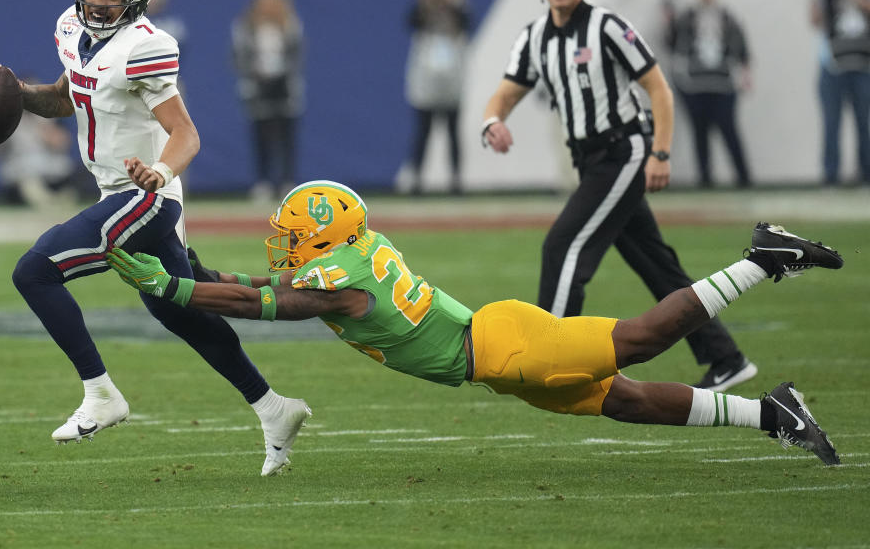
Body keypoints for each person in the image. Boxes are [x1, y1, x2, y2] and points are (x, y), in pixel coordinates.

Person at [106, 180, 845, 468]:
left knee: (642, 340)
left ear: (325, 236)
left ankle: (762, 258)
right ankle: (771, 414)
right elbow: (266, 284)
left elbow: (267, 304)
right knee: (626, 399)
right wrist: (200, 275)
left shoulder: (339, 284)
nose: (289, 245)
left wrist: (176, 287)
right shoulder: (355, 250)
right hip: (493, 354)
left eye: (296, 232)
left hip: (503, 349)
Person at [0, 0, 309, 477]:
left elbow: (186, 133)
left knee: (34, 272)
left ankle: (100, 393)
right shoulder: (70, 27)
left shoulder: (146, 46)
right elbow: (64, 97)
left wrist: (162, 171)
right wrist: (11, 94)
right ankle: (274, 408)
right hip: (115, 192)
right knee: (179, 309)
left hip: (146, 197)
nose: (100, 0)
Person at [480, 0, 756, 392]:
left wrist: (660, 153)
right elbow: (508, 90)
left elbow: (658, 88)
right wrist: (493, 121)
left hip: (622, 150)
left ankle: (551, 357)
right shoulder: (534, 37)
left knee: (563, 245)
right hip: (589, 159)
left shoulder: (607, 26)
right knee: (656, 265)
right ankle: (726, 358)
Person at [669, 0, 752, 188]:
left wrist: (745, 74)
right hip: (696, 86)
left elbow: (741, 47)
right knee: (700, 134)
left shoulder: (726, 16)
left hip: (722, 85)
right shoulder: (688, 17)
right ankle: (705, 179)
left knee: (729, 132)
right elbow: (674, 44)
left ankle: (744, 177)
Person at [400, 0, 470, 194]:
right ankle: (416, 178)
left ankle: (456, 179)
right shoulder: (423, 7)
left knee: (453, 131)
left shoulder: (458, 6)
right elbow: (410, 22)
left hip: (451, 76)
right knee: (423, 132)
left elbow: (467, 21)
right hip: (426, 77)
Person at [230, 0, 305, 200]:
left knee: (286, 134)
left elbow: (297, 56)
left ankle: (287, 181)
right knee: (261, 134)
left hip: (285, 86)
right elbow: (238, 57)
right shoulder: (245, 26)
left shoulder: (290, 25)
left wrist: (282, 75)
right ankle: (263, 182)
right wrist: (254, 74)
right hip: (257, 85)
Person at [810, 0, 870, 185]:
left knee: (863, 123)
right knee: (831, 124)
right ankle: (830, 175)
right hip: (833, 67)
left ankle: (866, 173)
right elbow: (815, 21)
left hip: (862, 68)